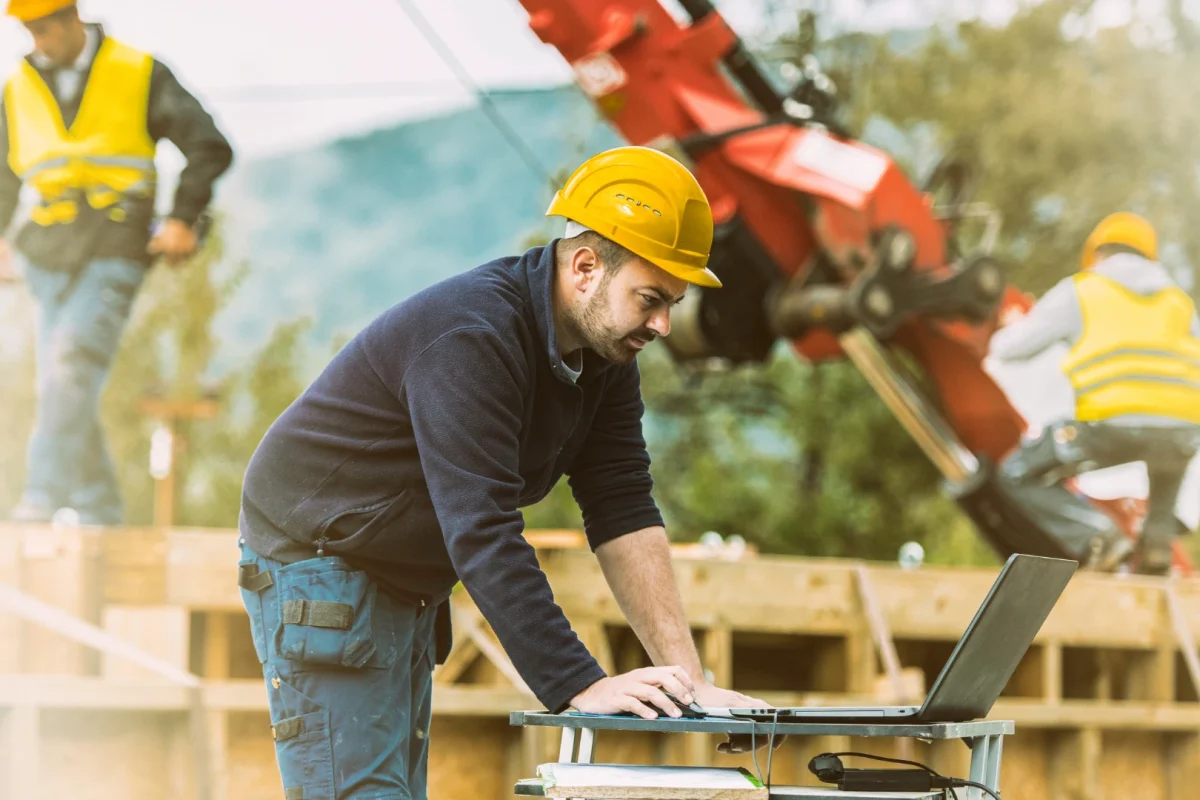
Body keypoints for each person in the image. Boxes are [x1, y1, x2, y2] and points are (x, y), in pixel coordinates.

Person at [235, 146, 775, 800]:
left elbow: (623, 507)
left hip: (401, 567)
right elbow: (482, 529)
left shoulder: (605, 356)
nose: (662, 324)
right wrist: (579, 684)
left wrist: (691, 682)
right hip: (320, 557)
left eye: (673, 303)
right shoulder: (472, 337)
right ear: (585, 267)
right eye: (650, 298)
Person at [1, 0, 233, 525]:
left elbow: (209, 146)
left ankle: (39, 498)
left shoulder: (139, 72)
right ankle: (99, 506)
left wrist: (182, 217)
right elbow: (2, 174)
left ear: (72, 17)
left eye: (44, 28)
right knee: (63, 382)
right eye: (28, 31)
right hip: (46, 251)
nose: (37, 41)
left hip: (116, 242)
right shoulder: (17, 87)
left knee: (70, 364)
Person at [989, 212, 1200, 575]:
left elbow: (1009, 350)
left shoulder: (1082, 289)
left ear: (1098, 254)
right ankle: (1156, 550)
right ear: (1150, 257)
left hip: (1109, 425)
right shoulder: (1178, 302)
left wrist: (1012, 326)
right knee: (1167, 463)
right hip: (1182, 429)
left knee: (1016, 474)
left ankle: (1100, 538)